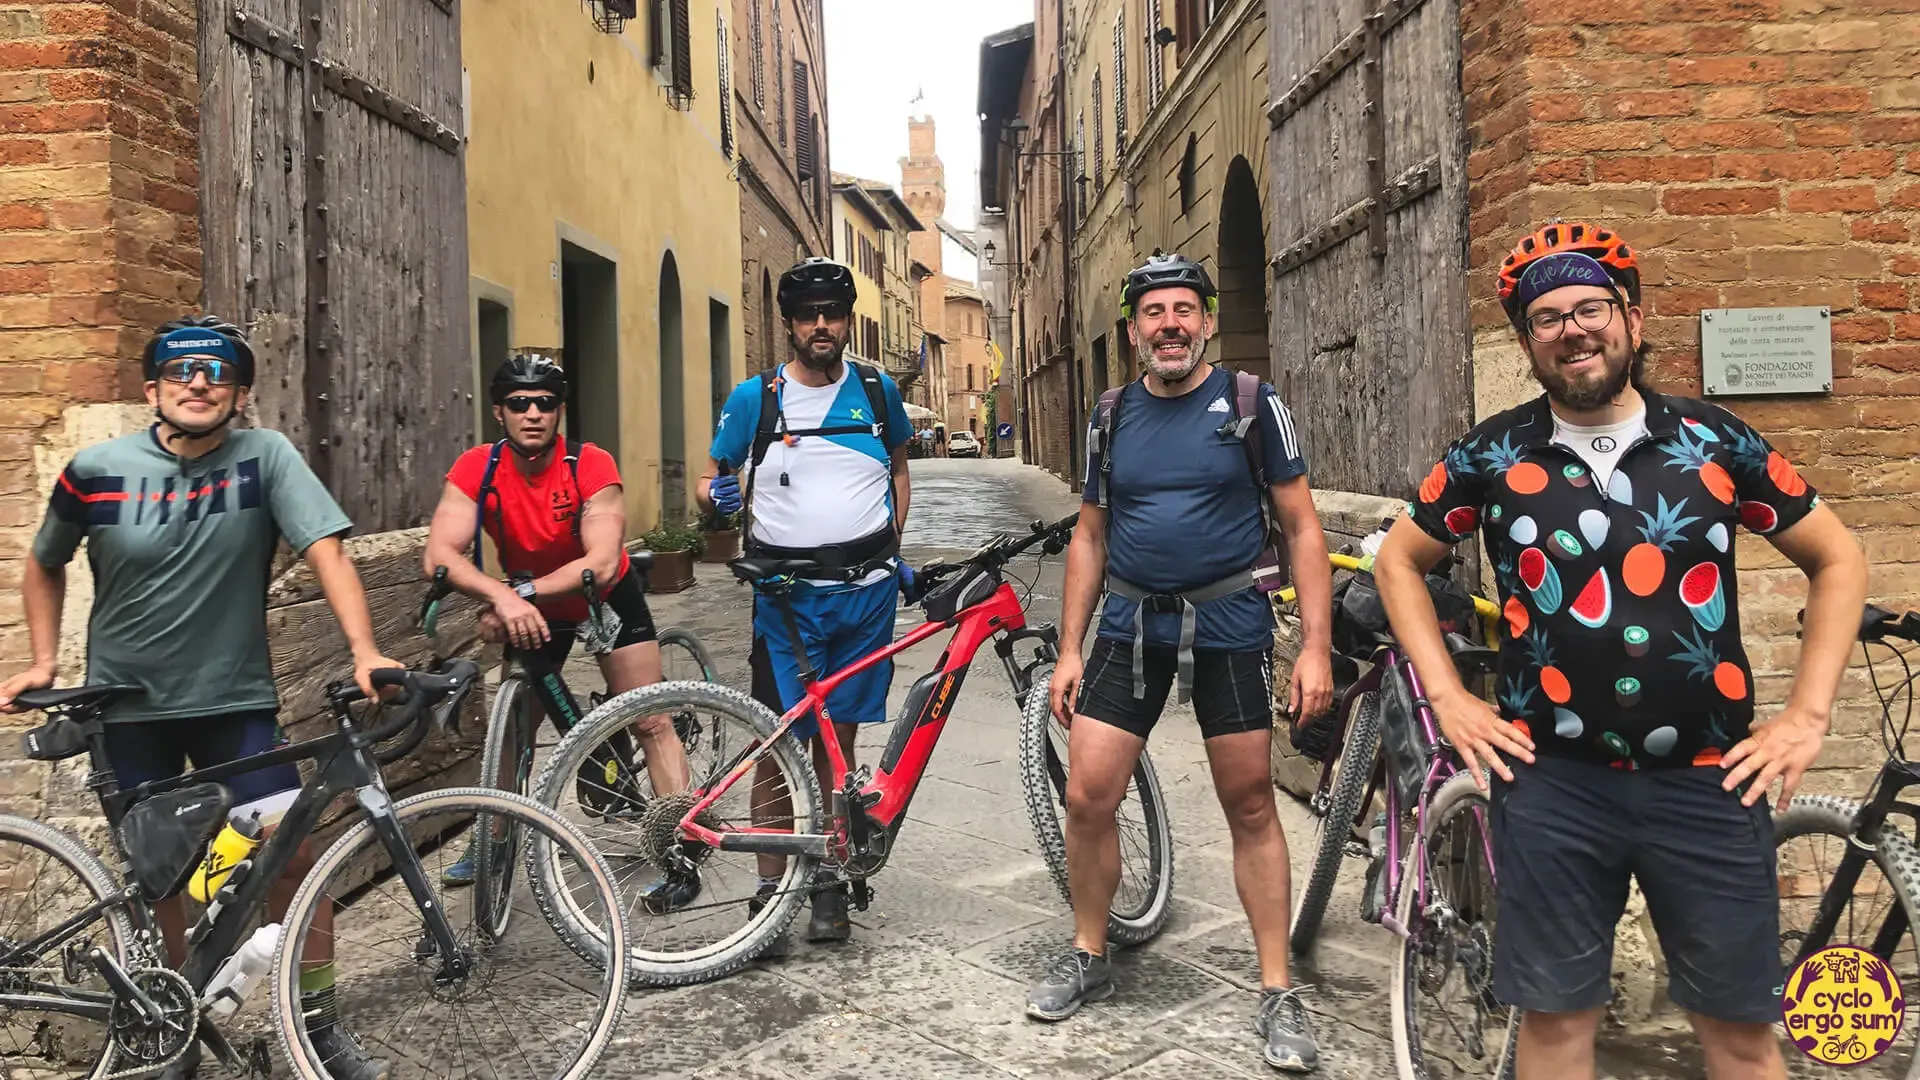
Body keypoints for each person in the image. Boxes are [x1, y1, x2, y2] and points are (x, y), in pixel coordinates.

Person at [1373, 222, 1868, 1080]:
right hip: (1554, 782)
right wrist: (1451, 698)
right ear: (1528, 340)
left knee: (1741, 1035)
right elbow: (1399, 562)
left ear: (1632, 321)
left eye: (1591, 308)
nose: (1572, 329)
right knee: (1558, 1024)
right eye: (1547, 317)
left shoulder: (1715, 442)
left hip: (1710, 782)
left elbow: (1838, 557)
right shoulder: (1492, 453)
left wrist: (1807, 715)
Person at [0, 316, 403, 1080]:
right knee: (161, 878)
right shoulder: (96, 468)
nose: (198, 383)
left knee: (293, 857)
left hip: (236, 704)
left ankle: (315, 1024)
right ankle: (171, 1033)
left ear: (241, 392)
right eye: (180, 372)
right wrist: (44, 660)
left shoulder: (266, 457)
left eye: (216, 373)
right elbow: (42, 562)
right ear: (151, 388)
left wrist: (365, 651)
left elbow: (328, 552)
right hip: (127, 710)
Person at [1033, 253, 1335, 1074]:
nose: (1169, 324)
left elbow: (1303, 527)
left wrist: (1314, 644)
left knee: (1247, 803)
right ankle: (1090, 955)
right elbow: (1090, 535)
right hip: (1129, 627)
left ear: (1207, 321)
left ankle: (1277, 988)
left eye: (1183, 310)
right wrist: (1068, 647)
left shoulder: (1251, 405)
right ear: (1134, 331)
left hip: (1230, 624)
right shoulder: (1109, 414)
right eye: (1153, 312)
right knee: (1089, 794)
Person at [422, 352, 693, 909]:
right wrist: (500, 594)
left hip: (602, 595)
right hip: (530, 598)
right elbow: (439, 556)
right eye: (519, 404)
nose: (533, 414)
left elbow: (598, 559)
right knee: (516, 729)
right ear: (499, 412)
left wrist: (515, 596)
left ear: (559, 411)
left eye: (545, 403)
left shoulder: (587, 463)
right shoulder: (479, 466)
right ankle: (492, 836)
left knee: (650, 718)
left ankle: (683, 845)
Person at [698, 256, 912, 945]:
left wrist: (890, 545)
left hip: (867, 597)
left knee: (838, 743)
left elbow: (899, 468)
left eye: (833, 313)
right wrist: (716, 497)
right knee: (774, 743)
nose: (822, 325)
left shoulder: (877, 392)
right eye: (808, 315)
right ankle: (768, 889)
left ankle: (825, 874)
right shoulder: (755, 399)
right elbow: (710, 478)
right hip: (788, 600)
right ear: (789, 325)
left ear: (846, 322)